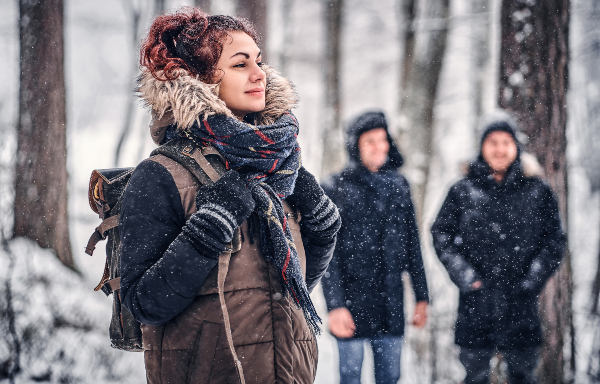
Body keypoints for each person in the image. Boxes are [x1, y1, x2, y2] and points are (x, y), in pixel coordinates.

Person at [119, 8, 341, 384]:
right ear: (199, 79)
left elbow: (285, 291)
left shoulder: (278, 167)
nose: (260, 75)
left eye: (259, 61)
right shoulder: (160, 175)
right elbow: (145, 304)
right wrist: (206, 232)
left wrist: (322, 233)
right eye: (241, 64)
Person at [430, 113, 566, 384]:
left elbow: (555, 240)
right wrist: (467, 278)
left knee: (523, 376)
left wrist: (533, 280)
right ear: (482, 147)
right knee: (475, 376)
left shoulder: (537, 190)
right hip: (475, 305)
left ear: (516, 147)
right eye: (492, 142)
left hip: (522, 303)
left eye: (506, 142)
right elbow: (441, 234)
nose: (499, 149)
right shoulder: (462, 190)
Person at [321, 111, 429, 384]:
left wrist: (422, 296)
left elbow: (412, 243)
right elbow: (327, 255)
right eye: (370, 140)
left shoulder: (399, 185)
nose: (378, 146)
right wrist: (335, 306)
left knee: (390, 377)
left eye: (382, 139)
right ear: (355, 145)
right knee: (350, 377)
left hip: (390, 304)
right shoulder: (335, 187)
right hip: (350, 304)